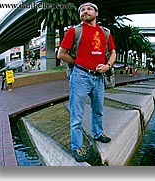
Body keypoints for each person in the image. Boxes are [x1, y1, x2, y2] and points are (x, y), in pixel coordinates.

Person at [57, 2, 116, 163]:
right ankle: (77, 146)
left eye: (89, 9)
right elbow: (61, 54)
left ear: (96, 13)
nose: (85, 11)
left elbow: (113, 52)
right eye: (82, 10)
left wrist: (107, 65)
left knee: (98, 109)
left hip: (98, 78)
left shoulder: (105, 32)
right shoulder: (74, 31)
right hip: (80, 77)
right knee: (76, 114)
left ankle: (98, 133)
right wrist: (78, 63)